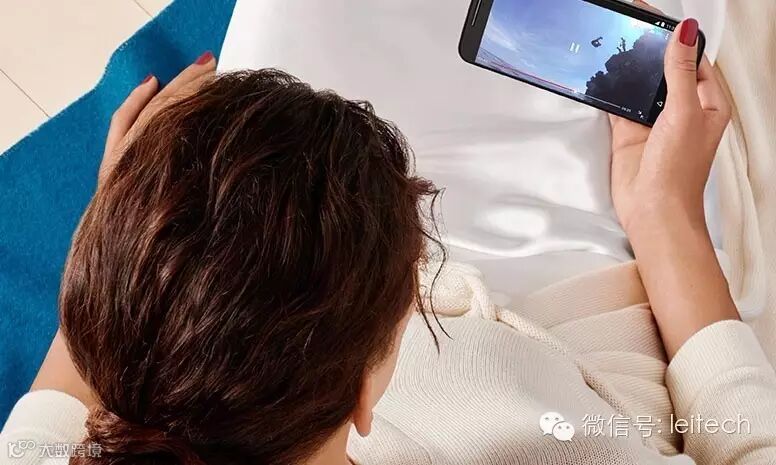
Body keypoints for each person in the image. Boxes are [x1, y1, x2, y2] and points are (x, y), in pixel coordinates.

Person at [1, 19, 775, 465]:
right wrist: (666, 211)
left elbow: (47, 419)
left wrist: (141, 227)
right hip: (590, 337)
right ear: (367, 396)